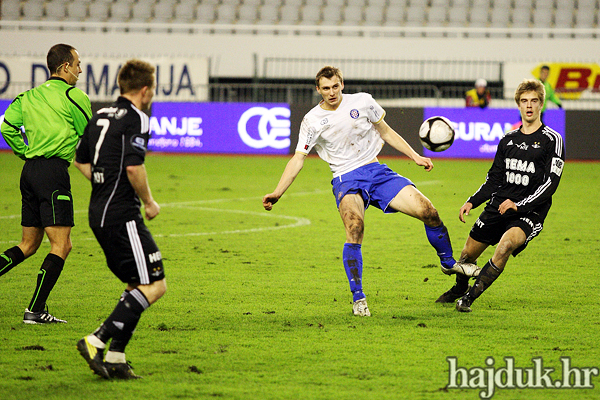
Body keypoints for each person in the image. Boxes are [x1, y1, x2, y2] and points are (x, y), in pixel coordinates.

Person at [262, 66, 479, 317]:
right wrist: (278, 192)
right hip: (346, 178)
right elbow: (298, 158)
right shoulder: (311, 120)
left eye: (335, 86)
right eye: (325, 88)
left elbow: (385, 131)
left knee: (429, 211)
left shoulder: (363, 102)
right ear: (318, 90)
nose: (331, 92)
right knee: (355, 228)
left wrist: (415, 155)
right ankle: (358, 297)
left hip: (376, 171)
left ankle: (448, 263)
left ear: (341, 84)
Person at [436, 78, 565, 312]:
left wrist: (520, 205)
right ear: (518, 104)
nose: (529, 105)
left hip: (529, 212)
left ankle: (468, 299)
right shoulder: (508, 139)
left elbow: (550, 184)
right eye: (524, 101)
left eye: (534, 101)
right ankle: (459, 289)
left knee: (505, 245)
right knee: (466, 257)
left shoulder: (552, 140)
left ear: (540, 105)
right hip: (498, 205)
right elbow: (494, 178)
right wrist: (472, 201)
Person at [73, 59, 166, 379]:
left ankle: (115, 357)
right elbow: (133, 168)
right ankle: (96, 339)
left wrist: (104, 183)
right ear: (145, 90)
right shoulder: (137, 117)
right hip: (122, 215)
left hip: (98, 212)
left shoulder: (99, 114)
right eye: (152, 89)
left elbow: (80, 160)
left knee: (136, 285)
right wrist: (149, 202)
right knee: (155, 285)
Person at [0, 43, 92, 324]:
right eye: (76, 63)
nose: (79, 69)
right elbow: (90, 135)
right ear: (64, 67)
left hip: (29, 172)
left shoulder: (27, 97)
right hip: (53, 173)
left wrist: (24, 150)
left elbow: (6, 126)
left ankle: (36, 310)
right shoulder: (74, 97)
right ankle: (35, 310)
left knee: (28, 244)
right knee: (61, 245)